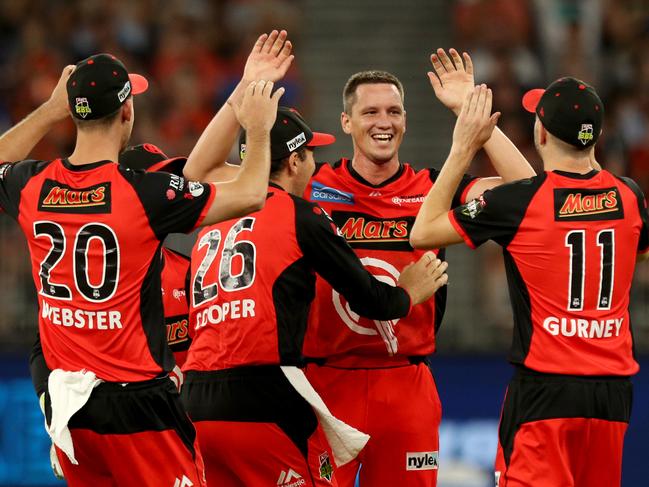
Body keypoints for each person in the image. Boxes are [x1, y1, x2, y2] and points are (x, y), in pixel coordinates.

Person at [182, 47, 536, 486]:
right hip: (325, 383)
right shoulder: (306, 185)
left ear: (406, 120)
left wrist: (471, 117)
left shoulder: (433, 188)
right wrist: (244, 93)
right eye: (369, 112)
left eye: (393, 111)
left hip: (406, 383)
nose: (382, 122)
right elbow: (199, 174)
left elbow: (528, 195)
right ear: (347, 122)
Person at [0, 50, 282, 486]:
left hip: (72, 409)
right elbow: (249, 194)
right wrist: (259, 129)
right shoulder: (143, 192)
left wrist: (51, 111)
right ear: (127, 111)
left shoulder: (32, 184)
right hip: (138, 406)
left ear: (74, 114)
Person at [181, 104, 448, 487]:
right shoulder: (301, 214)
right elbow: (371, 300)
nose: (315, 166)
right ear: (294, 161)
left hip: (198, 401)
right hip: (266, 393)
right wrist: (408, 291)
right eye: (310, 154)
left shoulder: (217, 215)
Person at [410, 79, 648, 487]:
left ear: (539, 133)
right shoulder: (630, 196)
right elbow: (548, 199)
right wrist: (473, 111)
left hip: (545, 391)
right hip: (612, 394)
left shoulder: (519, 203)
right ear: (598, 134)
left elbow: (423, 233)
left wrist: (463, 147)